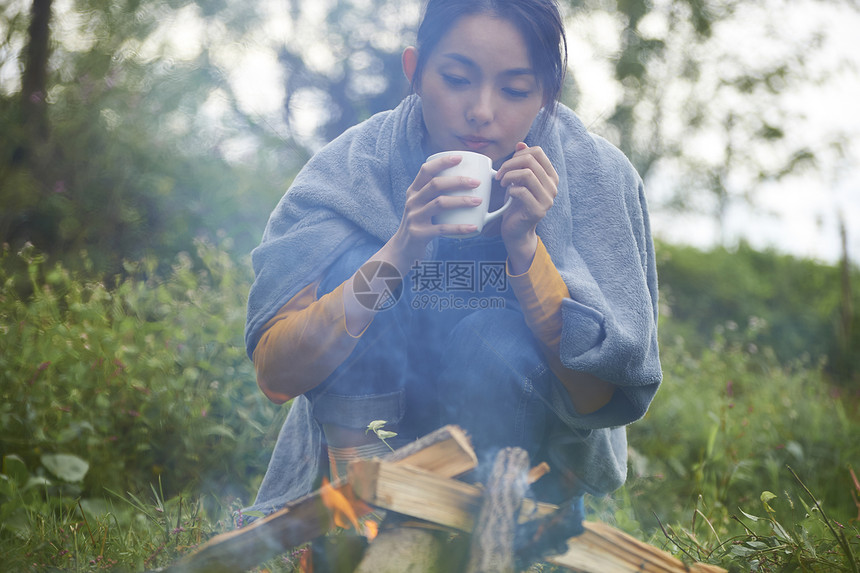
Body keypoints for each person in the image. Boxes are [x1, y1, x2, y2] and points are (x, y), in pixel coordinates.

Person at [243, 0, 662, 526]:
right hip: (370, 460)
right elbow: (276, 372)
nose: (482, 111)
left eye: (514, 90)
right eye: (457, 79)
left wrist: (526, 249)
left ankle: (498, 530)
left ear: (547, 95)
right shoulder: (351, 173)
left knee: (494, 340)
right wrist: (398, 251)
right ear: (415, 71)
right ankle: (361, 516)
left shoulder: (597, 177)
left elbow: (600, 394)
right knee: (364, 275)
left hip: (530, 480)